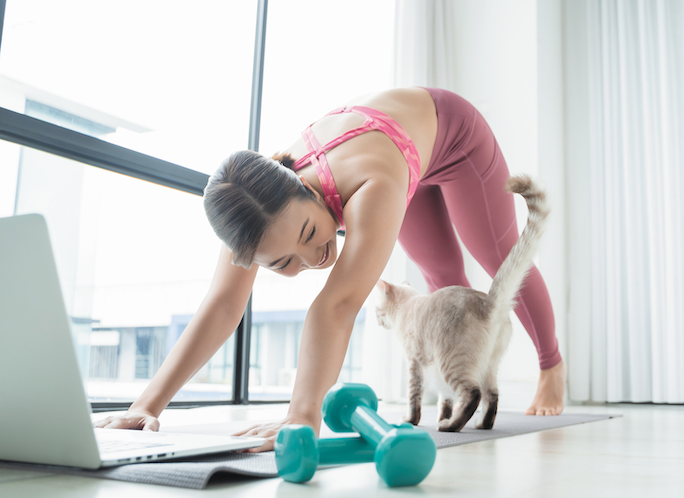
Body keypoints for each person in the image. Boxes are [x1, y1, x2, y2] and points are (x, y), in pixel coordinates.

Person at [94, 87, 566, 451]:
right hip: (405, 154)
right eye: (282, 264)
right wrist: (146, 405)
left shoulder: (371, 181)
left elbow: (337, 305)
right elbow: (222, 304)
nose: (311, 260)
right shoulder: (251, 209)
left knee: (501, 259)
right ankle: (466, 391)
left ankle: (551, 366)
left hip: (455, 138)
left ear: (307, 189)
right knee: (445, 282)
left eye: (306, 236)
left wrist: (302, 415)